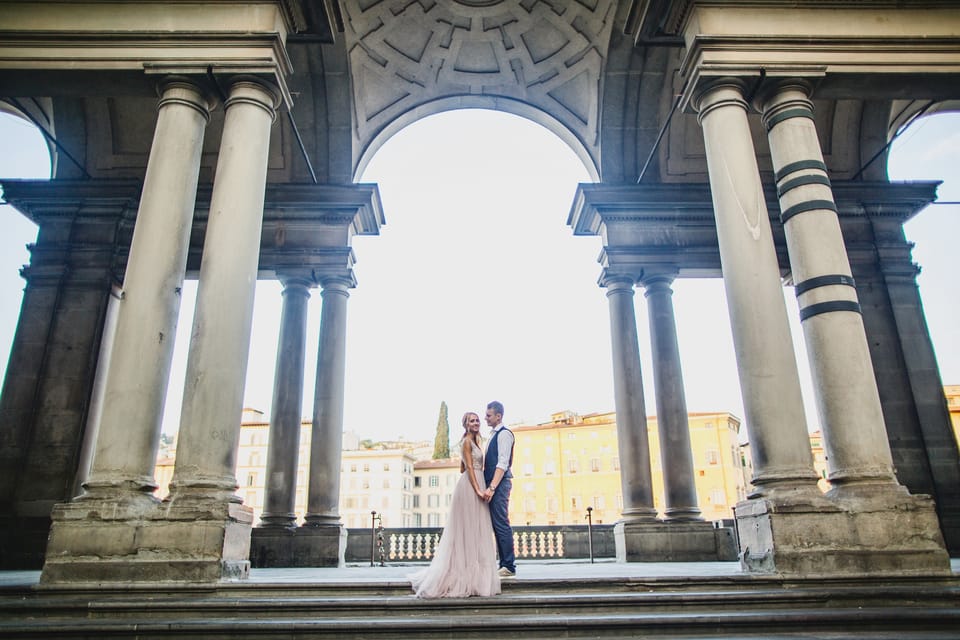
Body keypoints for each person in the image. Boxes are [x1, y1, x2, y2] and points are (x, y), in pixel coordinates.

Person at [409, 412, 500, 598]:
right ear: (466, 425)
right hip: (471, 487)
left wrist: (470, 464)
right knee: (467, 531)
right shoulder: (467, 441)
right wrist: (478, 491)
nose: (475, 423)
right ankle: (466, 577)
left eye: (476, 420)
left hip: (476, 483)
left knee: (477, 531)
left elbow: (461, 467)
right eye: (471, 421)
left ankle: (474, 577)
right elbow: (469, 471)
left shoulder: (474, 441)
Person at [482, 400, 516, 578]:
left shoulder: (504, 434)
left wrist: (492, 487)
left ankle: (508, 565)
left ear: (498, 416)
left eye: (488, 415)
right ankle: (504, 563)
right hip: (494, 484)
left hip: (499, 484)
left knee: (501, 523)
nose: (485, 418)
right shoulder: (493, 435)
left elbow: (502, 463)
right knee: (497, 523)